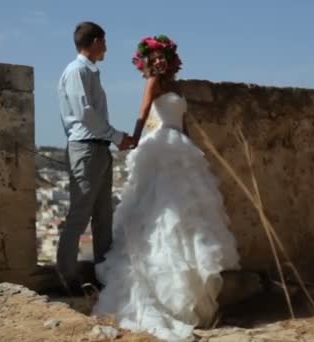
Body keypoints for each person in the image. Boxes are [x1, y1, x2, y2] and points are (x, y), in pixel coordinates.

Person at [92, 35, 241, 341]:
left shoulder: (176, 86)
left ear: (171, 60)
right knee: (160, 211)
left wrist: (190, 143)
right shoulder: (153, 84)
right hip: (160, 148)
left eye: (164, 57)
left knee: (188, 216)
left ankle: (191, 299)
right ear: (148, 62)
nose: (160, 62)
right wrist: (132, 140)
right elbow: (143, 113)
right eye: (155, 58)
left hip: (180, 147)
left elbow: (183, 122)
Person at [56, 21, 135, 294]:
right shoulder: (77, 70)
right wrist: (117, 137)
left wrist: (111, 139)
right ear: (97, 40)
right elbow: (86, 114)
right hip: (87, 148)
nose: (107, 47)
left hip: (98, 149)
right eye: (105, 41)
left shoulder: (88, 71)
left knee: (103, 214)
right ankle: (68, 276)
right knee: (79, 215)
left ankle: (104, 274)